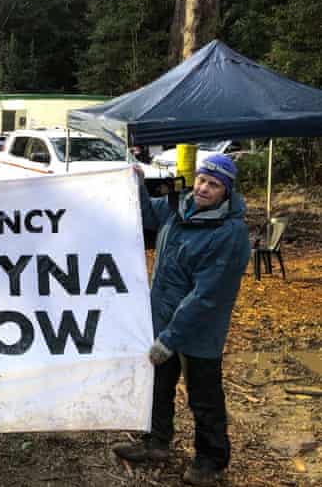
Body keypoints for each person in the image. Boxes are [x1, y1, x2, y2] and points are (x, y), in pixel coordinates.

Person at [112, 154, 251, 486]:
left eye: (214, 184)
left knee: (203, 395)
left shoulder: (229, 235)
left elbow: (207, 297)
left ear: (226, 192)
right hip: (160, 320)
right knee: (158, 386)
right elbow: (146, 215)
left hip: (199, 331)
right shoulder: (179, 208)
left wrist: (170, 339)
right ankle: (157, 442)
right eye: (202, 179)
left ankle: (211, 460)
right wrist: (137, 183)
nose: (204, 188)